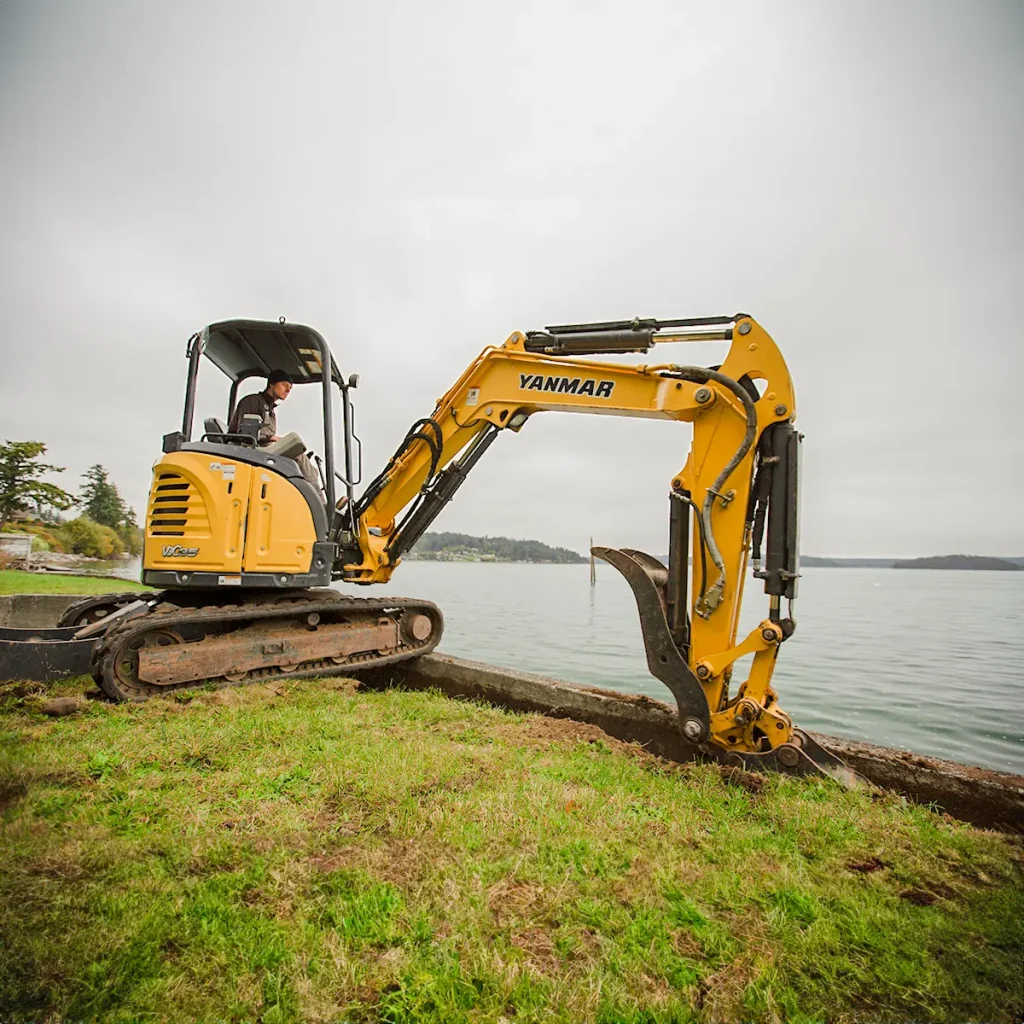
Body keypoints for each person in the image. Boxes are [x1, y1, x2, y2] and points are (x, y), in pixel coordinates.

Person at [229, 370, 322, 493]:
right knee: (299, 457)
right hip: (248, 449)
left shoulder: (270, 409)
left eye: (290, 388)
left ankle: (307, 497)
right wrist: (272, 438)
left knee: (308, 467)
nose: (288, 390)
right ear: (272, 384)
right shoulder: (253, 401)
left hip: (261, 450)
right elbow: (246, 434)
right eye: (284, 385)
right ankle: (320, 504)